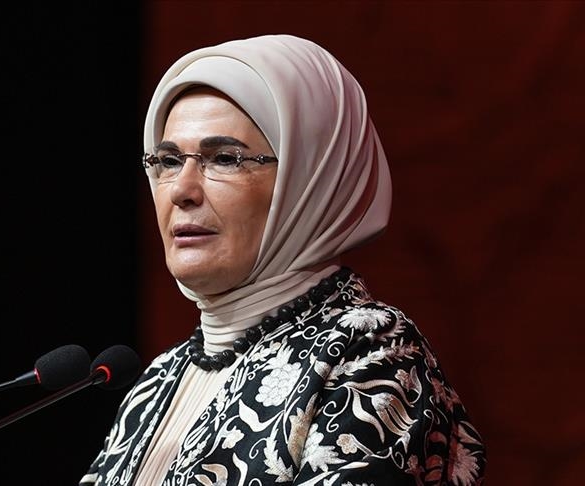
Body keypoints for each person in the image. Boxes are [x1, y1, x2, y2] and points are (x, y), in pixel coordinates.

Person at [80, 34, 486, 486]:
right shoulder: (157, 382)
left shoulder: (370, 352)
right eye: (168, 160)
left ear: (310, 177)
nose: (181, 190)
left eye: (225, 158)